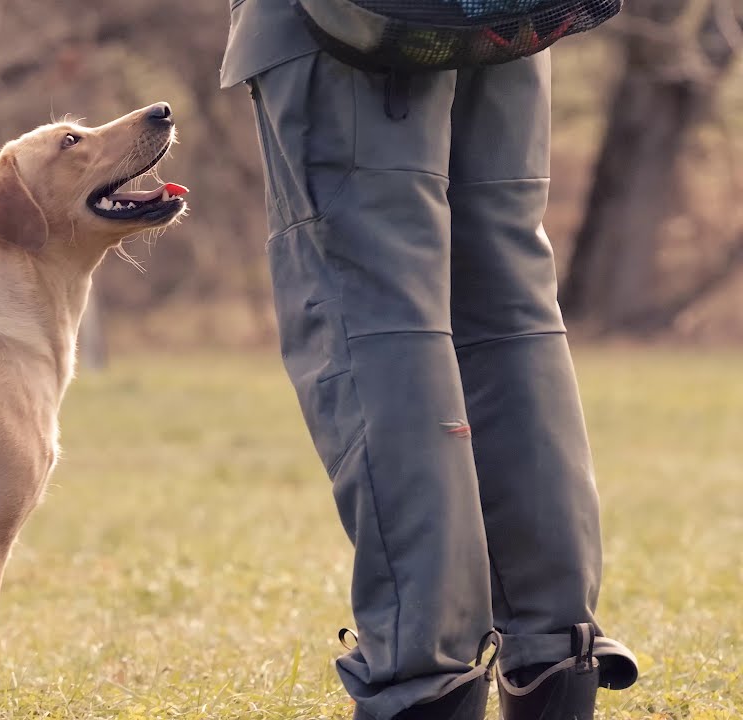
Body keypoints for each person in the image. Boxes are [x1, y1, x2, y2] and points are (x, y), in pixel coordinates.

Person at [219, 2, 640, 719]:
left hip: (355, 28)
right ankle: (553, 654)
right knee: (509, 309)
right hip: (504, 18)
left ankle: (424, 672)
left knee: (378, 311)